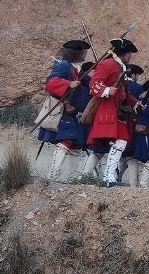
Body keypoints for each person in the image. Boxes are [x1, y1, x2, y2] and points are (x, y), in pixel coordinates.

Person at [85, 38, 138, 185]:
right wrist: (107, 89)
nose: (131, 57)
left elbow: (125, 93)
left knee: (119, 143)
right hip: (108, 110)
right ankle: (108, 177)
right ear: (126, 54)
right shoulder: (107, 64)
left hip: (118, 111)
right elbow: (93, 84)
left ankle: (108, 177)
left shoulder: (120, 68)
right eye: (130, 53)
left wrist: (136, 103)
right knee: (120, 142)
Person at [37, 40, 92, 181]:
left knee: (76, 143)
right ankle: (52, 176)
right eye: (84, 52)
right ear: (77, 53)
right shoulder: (64, 66)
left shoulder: (75, 68)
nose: (85, 54)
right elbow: (51, 83)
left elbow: (89, 84)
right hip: (63, 109)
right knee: (67, 139)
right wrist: (69, 83)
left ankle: (72, 178)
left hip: (71, 110)